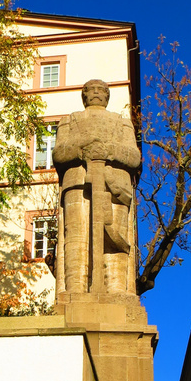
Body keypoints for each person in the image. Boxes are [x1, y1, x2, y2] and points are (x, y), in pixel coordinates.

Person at [53, 79, 141, 294]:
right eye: (90, 90)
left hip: (115, 186)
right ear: (84, 96)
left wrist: (107, 150)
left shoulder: (122, 122)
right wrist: (82, 150)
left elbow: (134, 157)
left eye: (101, 90)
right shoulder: (69, 121)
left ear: (107, 96)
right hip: (77, 183)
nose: (96, 93)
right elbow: (59, 154)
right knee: (76, 237)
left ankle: (117, 291)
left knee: (114, 239)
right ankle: (75, 290)